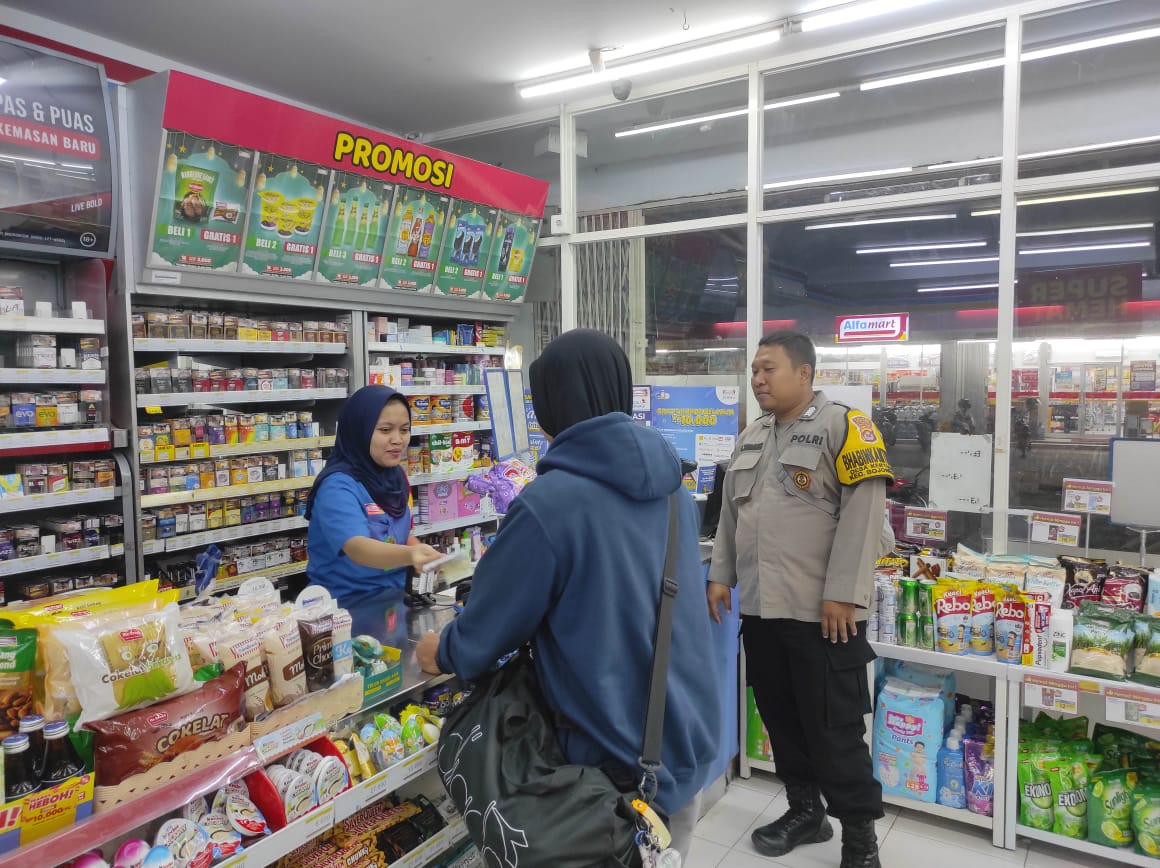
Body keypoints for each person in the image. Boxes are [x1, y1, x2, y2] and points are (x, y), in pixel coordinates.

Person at [416, 329, 720, 861]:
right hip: (682, 743)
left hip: (608, 771)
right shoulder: (673, 486)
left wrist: (441, 650)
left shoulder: (548, 504)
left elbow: (485, 634)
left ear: (549, 405)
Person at [707, 331, 892, 868]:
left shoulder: (846, 427)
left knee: (835, 731)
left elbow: (864, 515)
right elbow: (731, 515)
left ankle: (860, 840)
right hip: (762, 610)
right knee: (781, 720)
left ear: (804, 373)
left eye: (769, 369)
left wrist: (843, 594)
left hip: (823, 616)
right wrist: (721, 575)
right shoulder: (752, 435)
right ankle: (806, 812)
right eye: (754, 371)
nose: (758, 379)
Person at [306, 384, 442, 599]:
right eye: (385, 430)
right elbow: (357, 548)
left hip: (394, 599)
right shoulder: (337, 486)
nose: (398, 439)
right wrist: (411, 555)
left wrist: (425, 556)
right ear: (359, 430)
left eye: (404, 430)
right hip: (344, 605)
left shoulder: (395, 477)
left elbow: (398, 535)